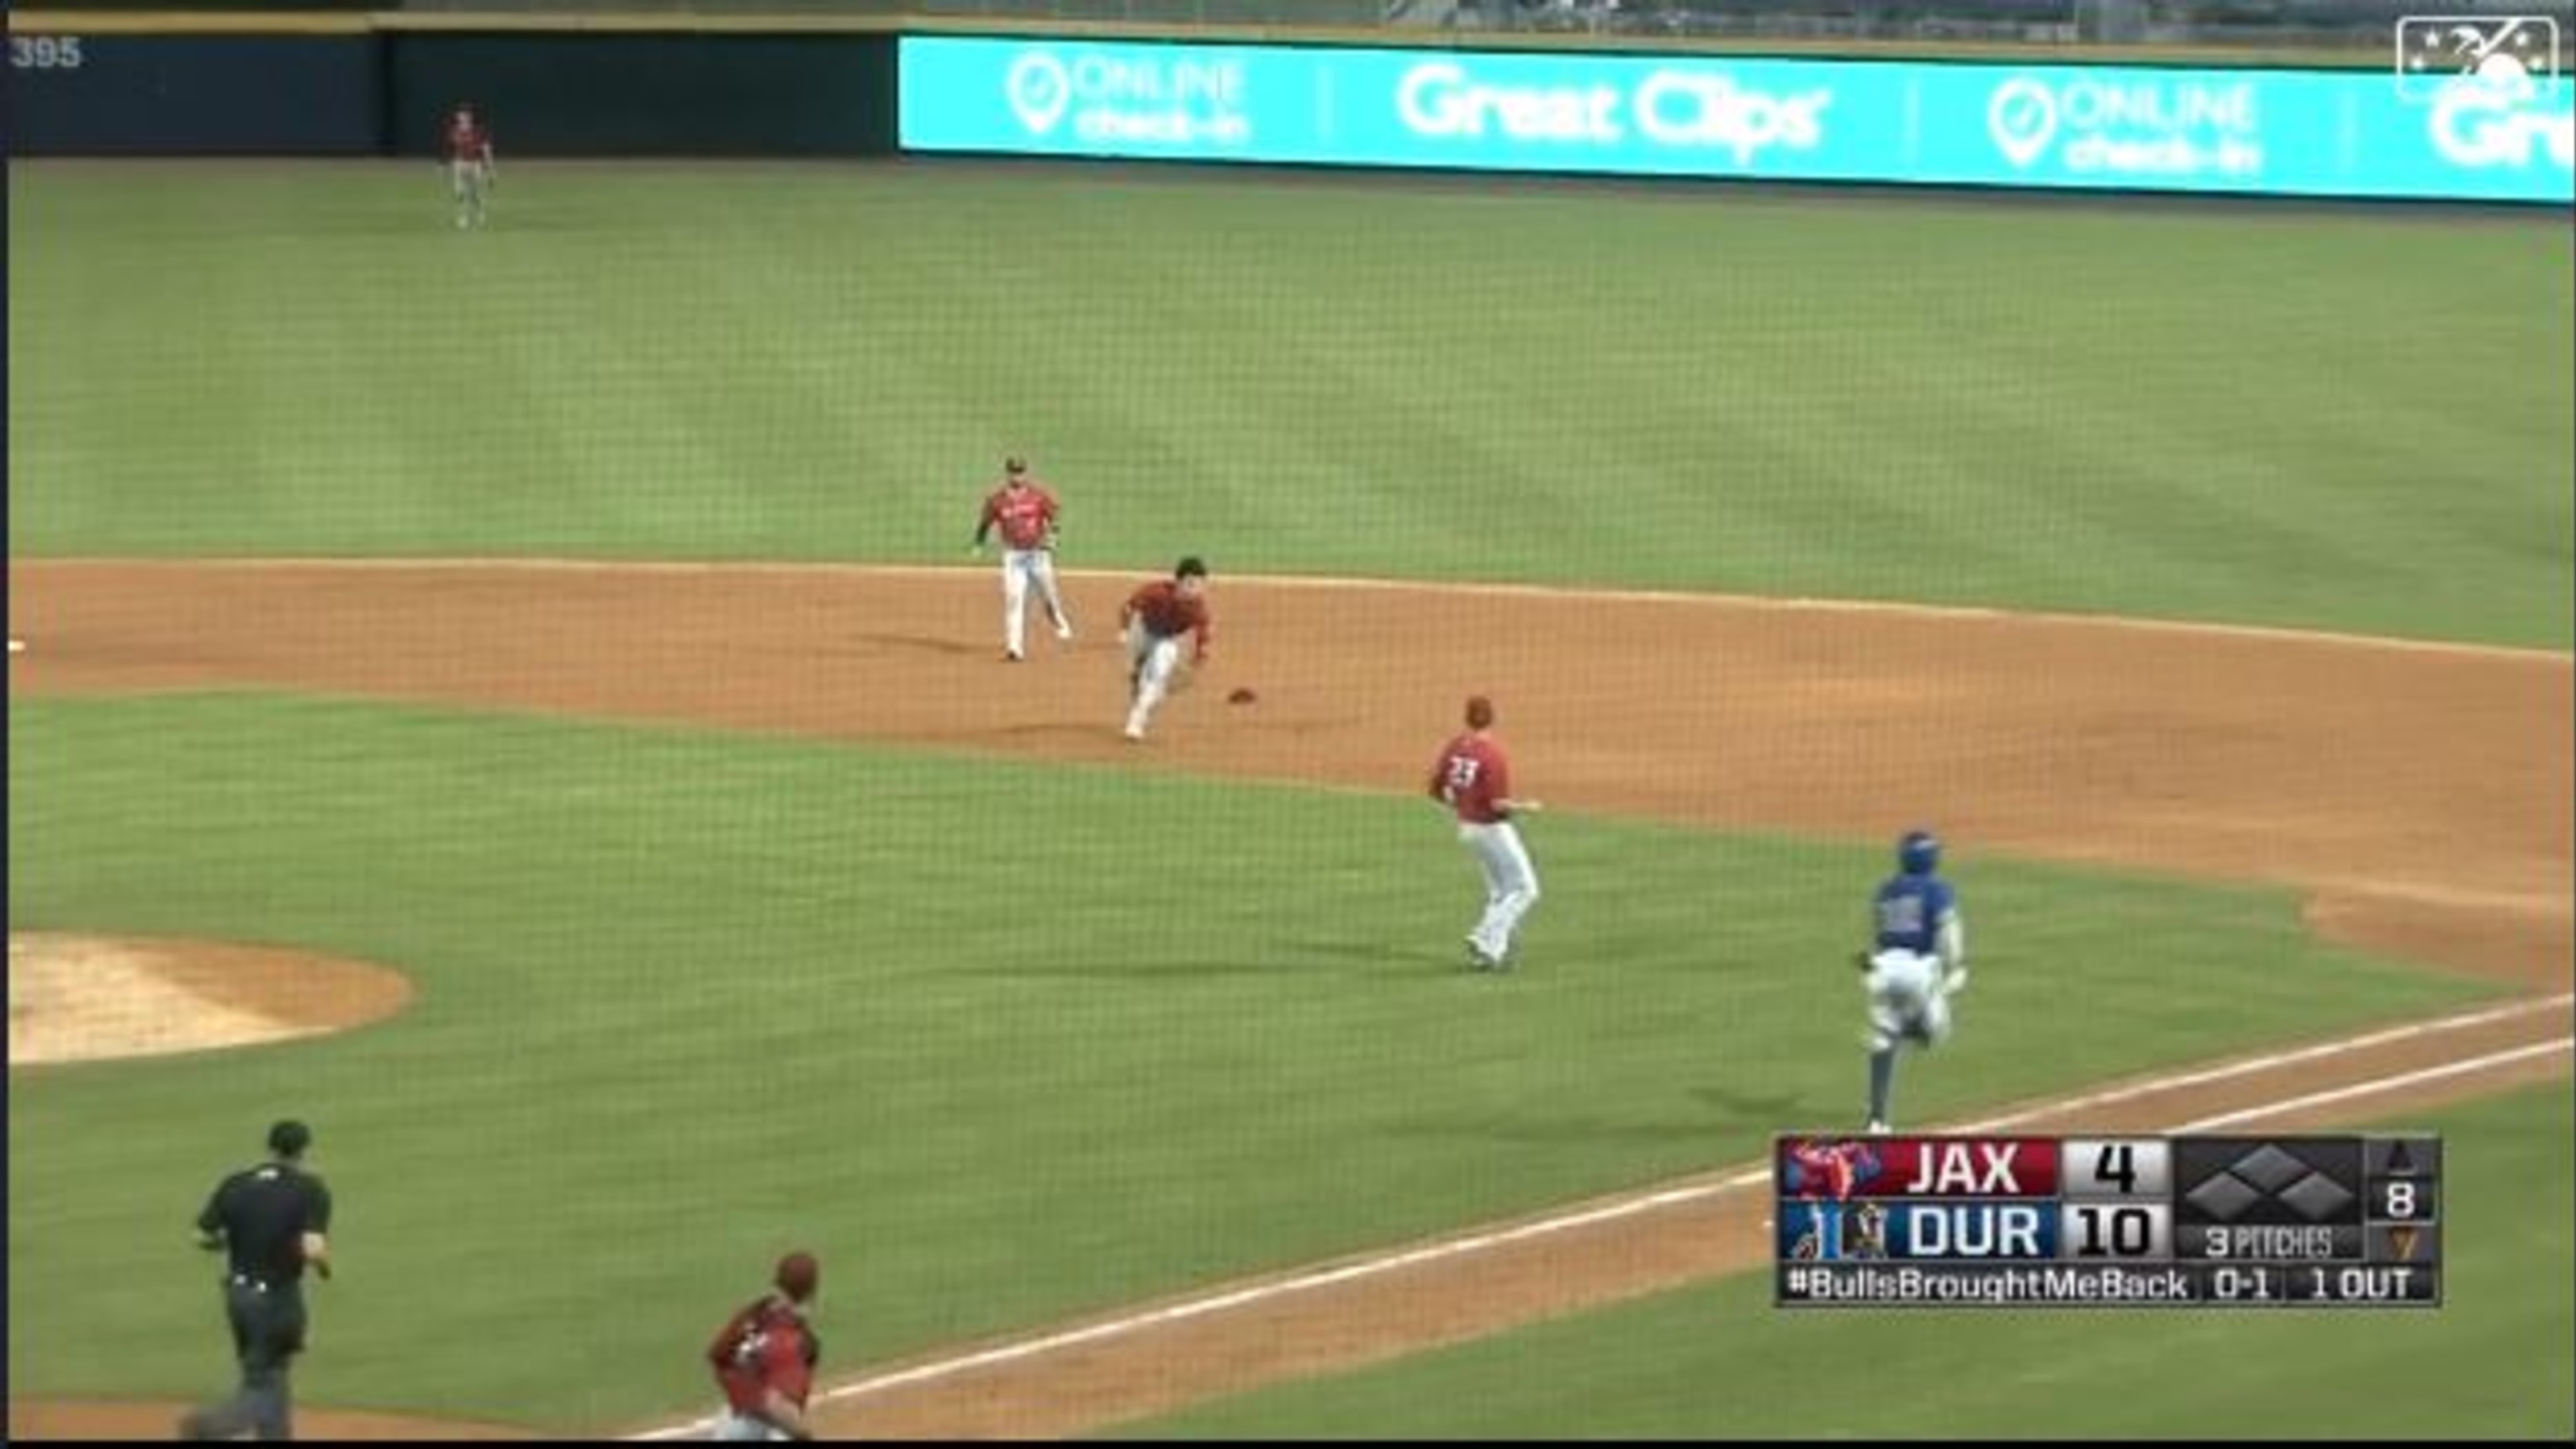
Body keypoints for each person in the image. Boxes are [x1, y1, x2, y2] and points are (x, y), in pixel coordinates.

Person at [179, 1120, 334, 1442]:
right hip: (277, 1301)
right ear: (303, 1150)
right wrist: (322, 1267)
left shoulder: (236, 1183)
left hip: (237, 1296)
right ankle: (211, 1426)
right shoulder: (310, 1188)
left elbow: (201, 1235)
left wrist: (225, 1243)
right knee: (265, 1383)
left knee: (268, 1373)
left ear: (270, 1147)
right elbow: (312, 1248)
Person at [1860, 829, 1968, 1134]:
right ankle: (1910, 1030)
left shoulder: (1885, 889)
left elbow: (1880, 932)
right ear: (1931, 858)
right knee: (1937, 1032)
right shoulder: (1937, 889)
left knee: (1882, 1038)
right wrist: (1957, 965)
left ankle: (1877, 1120)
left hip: (1882, 967)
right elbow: (1948, 926)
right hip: (1919, 970)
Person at [1428, 695, 1543, 970]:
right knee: (1527, 890)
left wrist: (1461, 805)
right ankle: (1483, 934)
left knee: (1500, 891)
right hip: (1493, 830)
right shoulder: (1492, 755)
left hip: (1467, 828)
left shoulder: (1454, 747)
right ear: (1492, 718)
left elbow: (1435, 790)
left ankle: (1489, 954)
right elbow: (1497, 804)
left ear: (1466, 717)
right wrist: (1526, 806)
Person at [706, 1251, 823, 1442]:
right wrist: (805, 1435)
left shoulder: (754, 1312)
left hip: (728, 1425)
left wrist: (744, 1391)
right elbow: (775, 1405)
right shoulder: (794, 1341)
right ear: (812, 1293)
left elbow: (718, 1356)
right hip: (764, 1430)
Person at [971, 456, 1073, 661]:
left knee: (1048, 597)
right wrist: (978, 544)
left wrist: (1052, 538)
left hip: (1038, 555)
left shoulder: (1038, 496)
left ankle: (1057, 619)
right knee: (1013, 600)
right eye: (1013, 471)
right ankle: (1014, 648)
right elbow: (985, 523)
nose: (1017, 475)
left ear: (1025, 473)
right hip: (1013, 557)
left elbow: (1055, 516)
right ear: (1007, 473)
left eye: (1020, 471)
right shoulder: (996, 500)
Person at [1119, 556, 1212, 743]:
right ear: (1178, 582)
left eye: (1200, 584)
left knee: (1157, 677)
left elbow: (1203, 635)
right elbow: (1127, 608)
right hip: (1142, 631)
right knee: (1135, 678)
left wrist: (1200, 655)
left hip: (1168, 640)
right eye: (1190, 583)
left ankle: (1137, 721)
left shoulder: (1198, 607)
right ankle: (1141, 686)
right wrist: (1124, 630)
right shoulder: (1155, 592)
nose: (1195, 589)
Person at [443, 102, 495, 230]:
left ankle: (479, 214)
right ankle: (462, 218)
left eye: (466, 114)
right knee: (459, 192)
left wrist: (491, 170)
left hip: (475, 163)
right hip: (459, 163)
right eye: (460, 114)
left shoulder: (478, 130)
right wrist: (445, 165)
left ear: (470, 116)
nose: (462, 117)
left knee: (474, 193)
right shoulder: (454, 130)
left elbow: (486, 150)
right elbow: (449, 149)